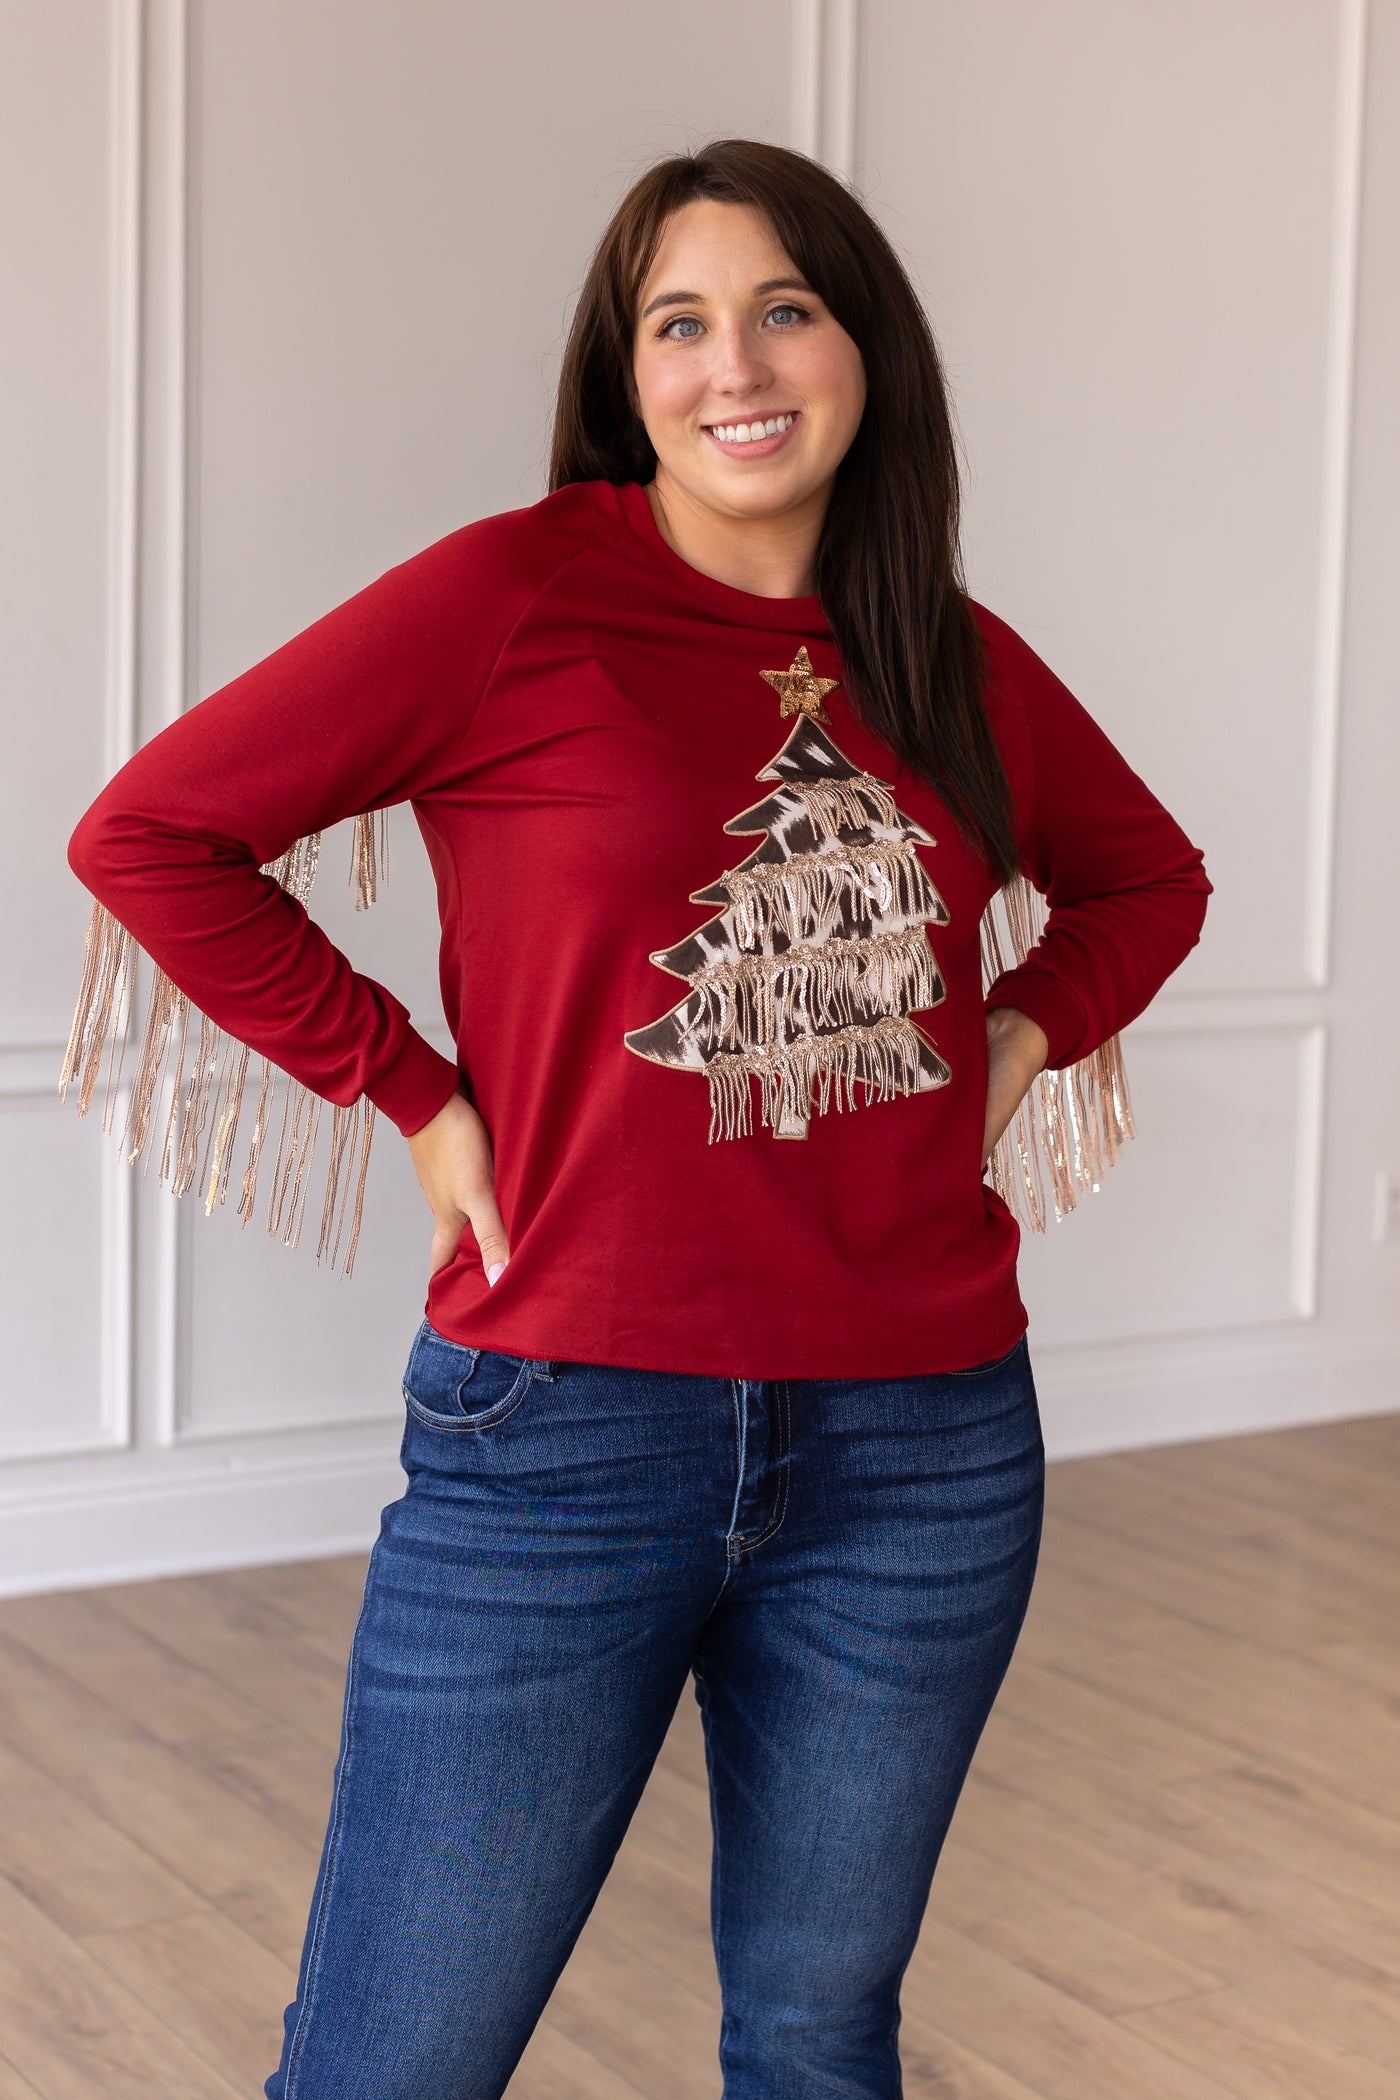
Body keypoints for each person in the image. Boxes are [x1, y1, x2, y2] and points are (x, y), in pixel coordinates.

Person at [64, 139, 1212, 2100]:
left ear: (864, 350)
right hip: (564, 1432)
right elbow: (150, 833)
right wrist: (413, 1095)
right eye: (678, 320)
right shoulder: (510, 601)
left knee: (818, 2034)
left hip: (925, 1444)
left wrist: (1015, 1044)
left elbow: (1146, 881)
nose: (733, 362)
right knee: (387, 2070)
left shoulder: (942, 647)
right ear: (626, 373)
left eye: (785, 306)